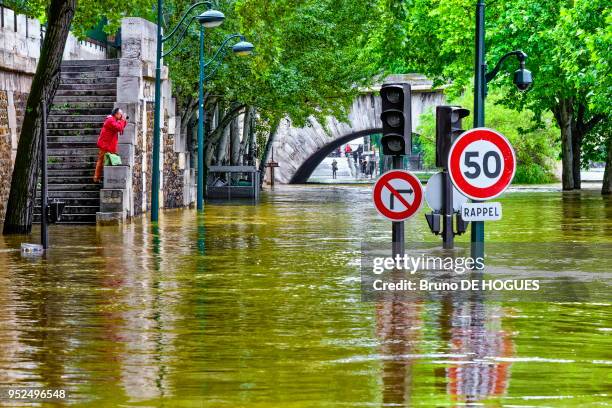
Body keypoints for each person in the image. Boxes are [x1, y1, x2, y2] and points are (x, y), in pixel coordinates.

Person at [94, 108, 128, 183]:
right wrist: (122, 120)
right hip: (105, 144)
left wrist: (123, 120)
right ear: (116, 114)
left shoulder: (113, 120)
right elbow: (119, 127)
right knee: (101, 160)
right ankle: (97, 178)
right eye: (120, 114)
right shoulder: (110, 120)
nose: (121, 115)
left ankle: (104, 178)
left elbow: (120, 127)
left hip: (109, 144)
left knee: (106, 161)